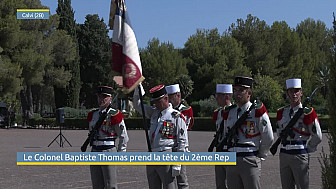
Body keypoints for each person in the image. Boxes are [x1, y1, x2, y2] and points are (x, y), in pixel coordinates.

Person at [133, 84, 188, 189]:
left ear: (166, 98)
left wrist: (178, 163)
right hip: (151, 154)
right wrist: (137, 90)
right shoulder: (154, 113)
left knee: (169, 186)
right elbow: (137, 105)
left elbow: (182, 142)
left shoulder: (175, 116)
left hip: (166, 154)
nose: (156, 104)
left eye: (158, 101)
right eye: (154, 101)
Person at [223, 76, 274, 189]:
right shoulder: (230, 111)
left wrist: (259, 154)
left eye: (241, 90)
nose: (237, 93)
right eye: (235, 90)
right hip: (232, 158)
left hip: (249, 157)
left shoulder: (257, 111)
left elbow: (268, 136)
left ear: (249, 92)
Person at [276, 78, 322, 189]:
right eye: (291, 91)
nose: (294, 94)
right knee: (286, 186)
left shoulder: (307, 112)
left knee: (302, 186)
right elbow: (279, 131)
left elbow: (318, 135)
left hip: (299, 154)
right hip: (284, 153)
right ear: (287, 93)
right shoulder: (282, 112)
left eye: (296, 91)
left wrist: (307, 149)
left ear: (301, 92)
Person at [86, 86, 129, 189]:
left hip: (108, 150)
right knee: (96, 184)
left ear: (110, 98)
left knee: (111, 184)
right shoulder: (93, 114)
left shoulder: (114, 114)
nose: (101, 99)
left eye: (104, 97)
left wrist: (121, 152)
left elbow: (123, 135)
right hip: (95, 150)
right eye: (99, 97)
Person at [166, 84, 194, 189]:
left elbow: (183, 127)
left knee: (181, 179)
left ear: (178, 96)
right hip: (168, 146)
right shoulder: (167, 110)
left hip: (180, 147)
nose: (168, 99)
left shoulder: (185, 110)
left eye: (171, 96)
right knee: (169, 179)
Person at [212, 84, 233, 189]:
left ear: (227, 97)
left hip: (230, 150)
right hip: (219, 150)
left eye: (219, 96)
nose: (216, 98)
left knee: (232, 182)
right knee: (220, 183)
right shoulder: (218, 113)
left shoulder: (234, 112)